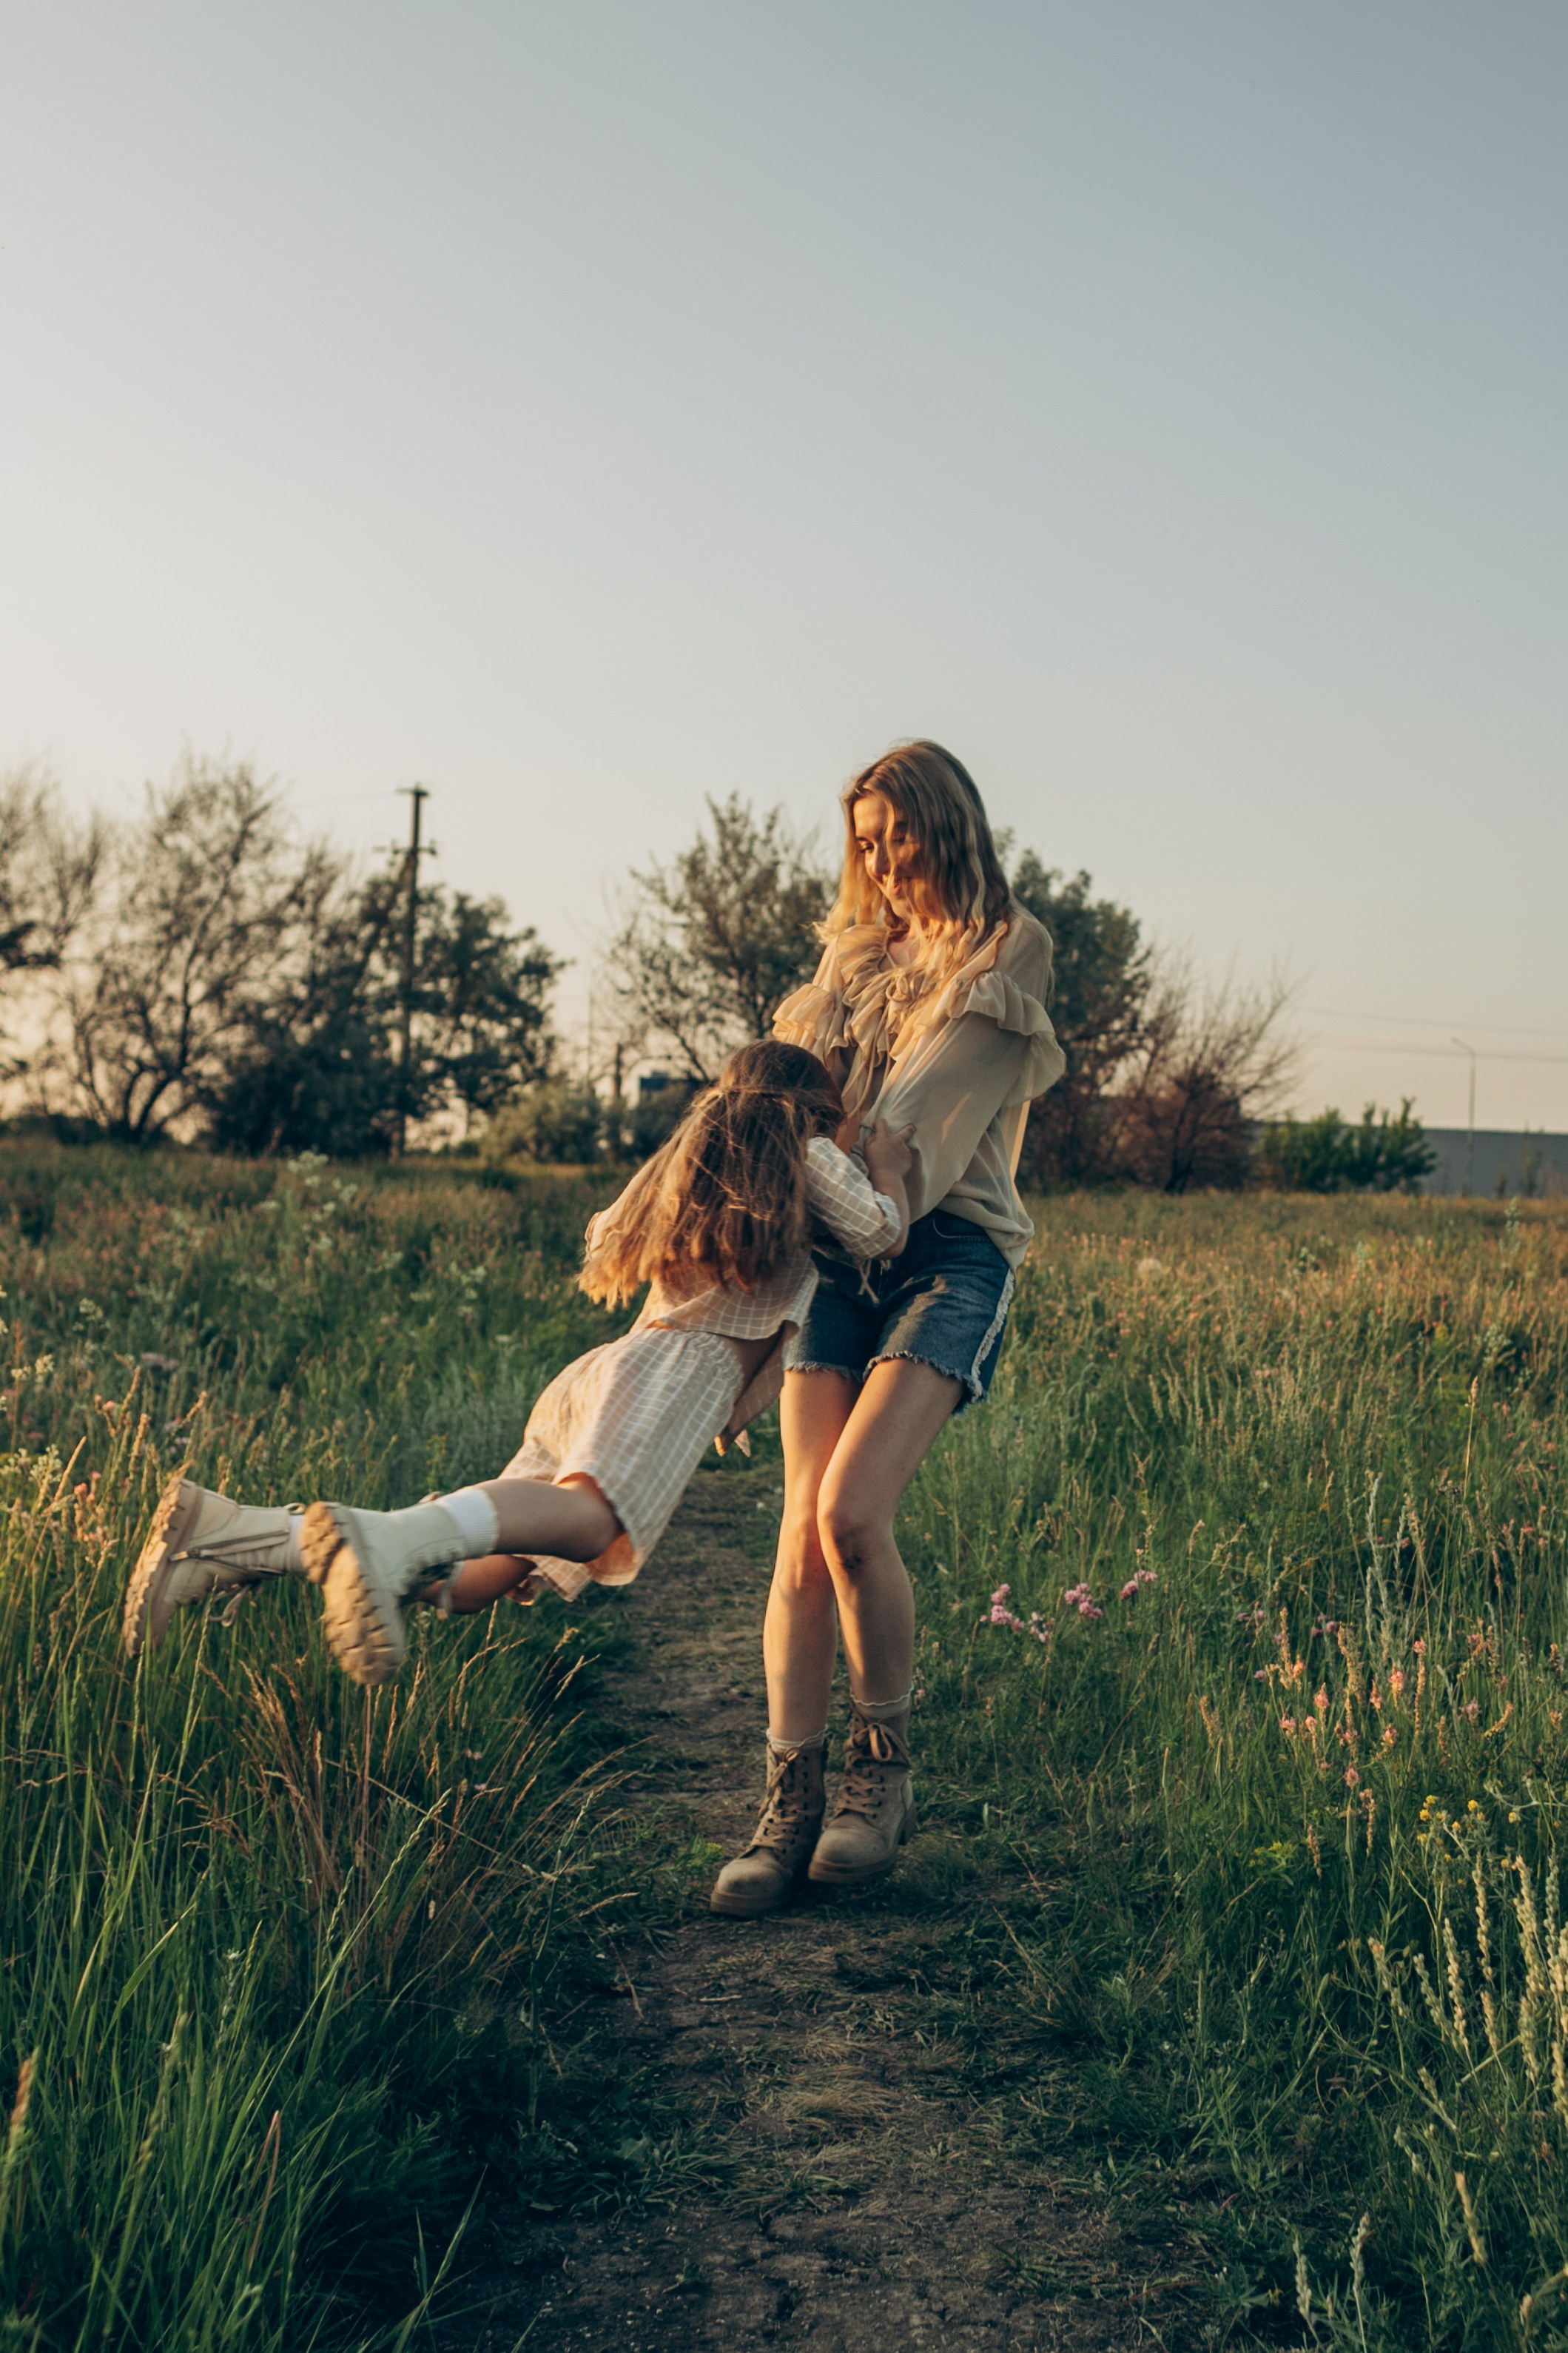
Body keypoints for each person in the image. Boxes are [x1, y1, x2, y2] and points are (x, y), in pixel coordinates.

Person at [123, 1043, 913, 1695]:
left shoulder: (693, 1159)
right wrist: (883, 1163)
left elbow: (607, 1229)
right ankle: (387, 1538)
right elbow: (880, 1234)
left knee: (471, 1583)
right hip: (678, 1373)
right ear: (812, 1109)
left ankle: (236, 1535)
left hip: (611, 1373)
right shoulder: (808, 1155)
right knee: (593, 1522)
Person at [707, 742, 1065, 1919]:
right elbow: (780, 1102)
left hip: (945, 1248)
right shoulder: (849, 959)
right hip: (835, 1241)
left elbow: (909, 1129)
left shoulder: (1007, 950)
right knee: (798, 1538)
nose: (880, 860)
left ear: (945, 826)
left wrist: (825, 1150)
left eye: (896, 836)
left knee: (851, 1513)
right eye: (862, 841)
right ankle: (786, 1798)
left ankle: (881, 1773)